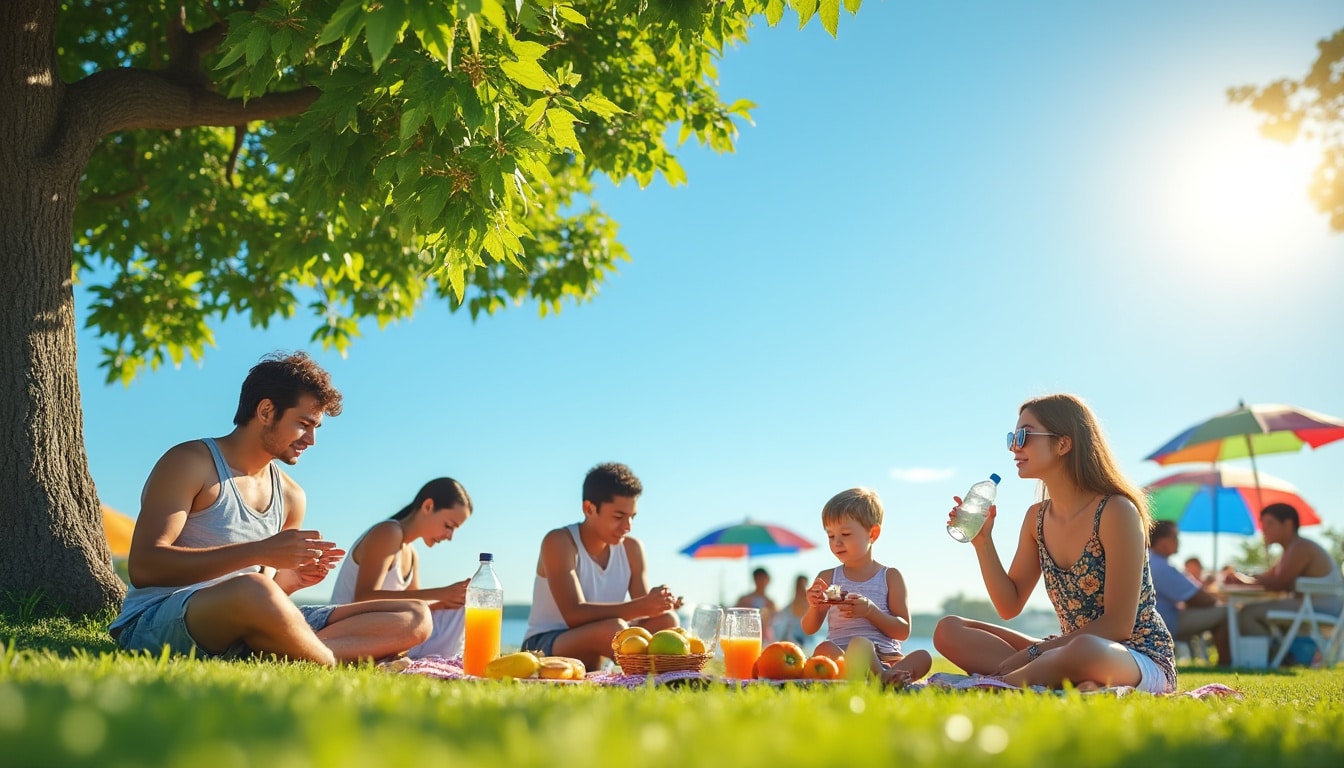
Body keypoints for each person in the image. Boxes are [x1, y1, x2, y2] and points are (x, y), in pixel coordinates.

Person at [108, 352, 431, 666]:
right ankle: (328, 661)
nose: (312, 439)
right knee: (254, 589)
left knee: (414, 615)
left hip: (250, 617)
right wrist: (258, 552)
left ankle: (295, 653)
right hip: (161, 618)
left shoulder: (292, 495)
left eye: (316, 427)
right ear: (265, 411)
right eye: (303, 423)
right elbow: (145, 567)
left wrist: (293, 580)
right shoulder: (191, 462)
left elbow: (271, 592)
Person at [933, 394, 1177, 693]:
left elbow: (1118, 626)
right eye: (1013, 436)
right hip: (1064, 652)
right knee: (948, 630)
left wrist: (1034, 653)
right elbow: (1009, 605)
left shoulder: (1116, 511)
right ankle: (1063, 681)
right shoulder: (1036, 518)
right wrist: (983, 542)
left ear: (1063, 444)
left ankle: (997, 683)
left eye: (1024, 435)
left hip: (1137, 656)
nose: (1014, 446)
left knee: (1084, 650)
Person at [521, 462, 682, 669]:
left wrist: (660, 604)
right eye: (618, 517)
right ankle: (649, 676)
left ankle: (657, 676)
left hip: (608, 636)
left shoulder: (632, 549)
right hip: (543, 645)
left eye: (632, 517)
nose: (627, 527)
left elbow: (643, 613)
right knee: (613, 629)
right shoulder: (560, 542)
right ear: (589, 508)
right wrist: (642, 605)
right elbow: (573, 615)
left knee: (667, 621)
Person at [800, 488, 932, 686]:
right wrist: (814, 606)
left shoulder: (890, 576)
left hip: (887, 659)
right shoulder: (827, 577)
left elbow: (903, 631)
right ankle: (883, 680)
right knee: (823, 649)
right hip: (842, 658)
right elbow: (808, 629)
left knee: (923, 656)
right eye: (830, 536)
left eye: (845, 533)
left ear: (873, 533)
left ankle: (880, 675)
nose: (837, 542)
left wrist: (870, 611)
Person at [329, 478, 474, 659]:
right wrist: (440, 592)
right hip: (349, 630)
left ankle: (443, 658)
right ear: (428, 506)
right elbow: (363, 597)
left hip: (384, 628)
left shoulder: (412, 554)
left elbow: (415, 607)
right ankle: (434, 657)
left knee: (461, 608)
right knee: (419, 617)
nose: (450, 536)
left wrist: (448, 601)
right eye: (449, 526)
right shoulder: (388, 532)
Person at [1221, 503, 1343, 641]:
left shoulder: (1300, 548)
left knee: (1247, 613)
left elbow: (1278, 583)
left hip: (1319, 608)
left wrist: (1242, 579)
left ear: (1288, 524)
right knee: (1248, 611)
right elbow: (1267, 578)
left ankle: (1269, 658)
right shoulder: (1290, 550)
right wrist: (1242, 578)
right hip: (1314, 607)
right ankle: (1275, 655)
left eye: (1270, 524)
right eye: (1263, 526)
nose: (1264, 530)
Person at [1148, 521, 1229, 664]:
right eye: (1175, 537)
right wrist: (1218, 599)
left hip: (1157, 621)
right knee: (1226, 613)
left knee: (1220, 611)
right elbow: (1198, 598)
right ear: (1162, 541)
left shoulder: (1149, 559)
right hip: (1166, 623)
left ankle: (1224, 661)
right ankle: (1227, 662)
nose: (1178, 541)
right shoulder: (1160, 565)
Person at [735, 567, 778, 643]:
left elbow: (776, 623)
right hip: (745, 637)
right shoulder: (744, 600)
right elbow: (734, 617)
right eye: (758, 578)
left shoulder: (771, 603)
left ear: (768, 580)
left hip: (765, 639)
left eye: (763, 578)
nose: (761, 581)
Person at [773, 574, 813, 650]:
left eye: (804, 585)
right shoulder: (786, 610)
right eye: (799, 586)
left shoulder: (815, 610)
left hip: (811, 649)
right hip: (791, 649)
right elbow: (779, 633)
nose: (802, 589)